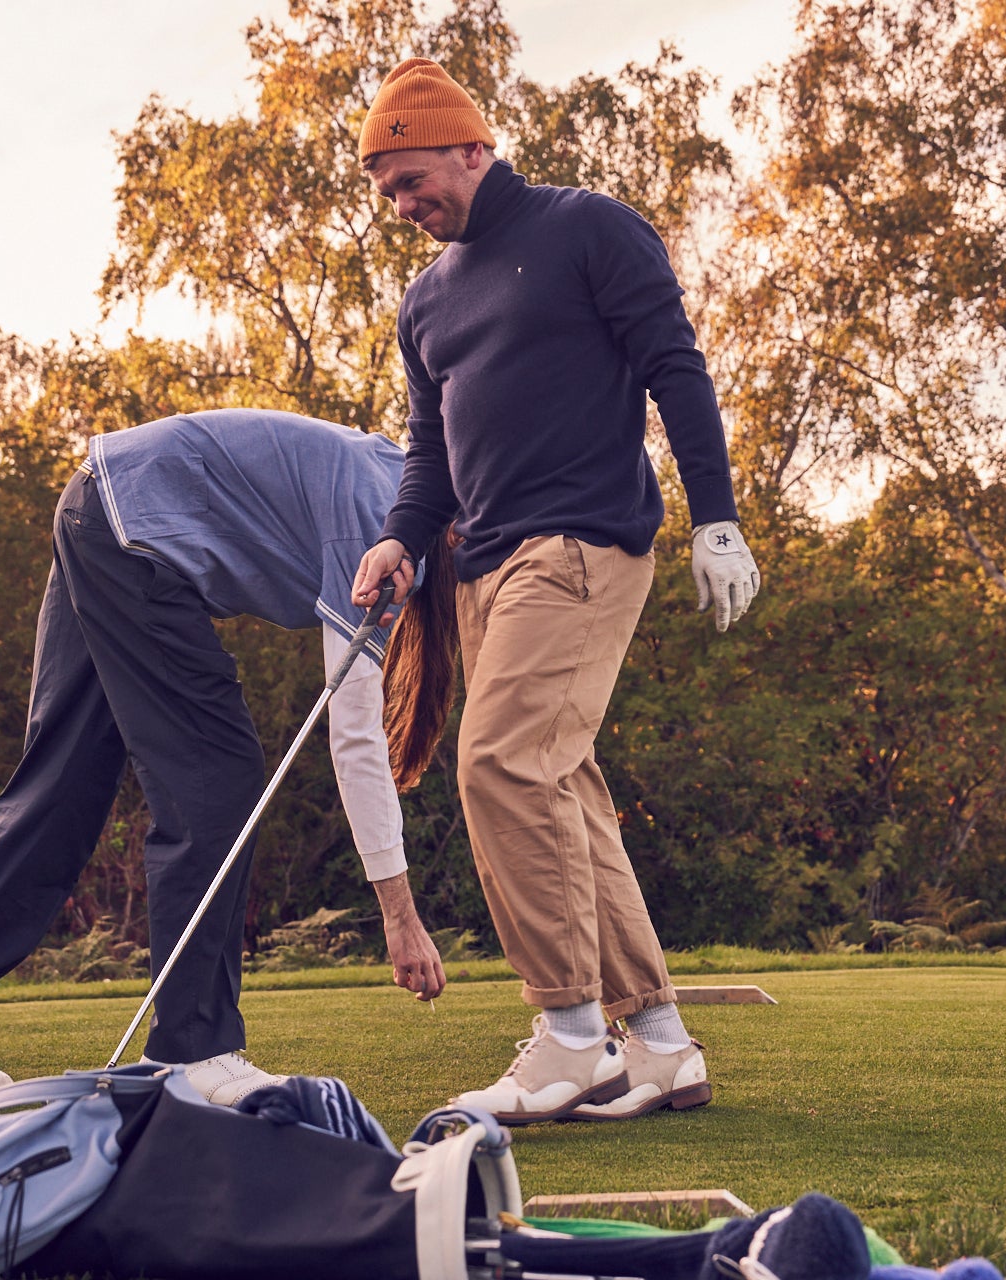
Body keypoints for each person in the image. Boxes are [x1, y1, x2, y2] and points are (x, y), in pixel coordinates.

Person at [351, 59, 761, 1124]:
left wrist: (716, 516)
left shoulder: (589, 229)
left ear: (471, 148)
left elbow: (677, 367)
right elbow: (427, 450)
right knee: (566, 794)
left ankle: (570, 1032)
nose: (403, 206)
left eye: (411, 179)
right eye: (388, 191)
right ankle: (660, 1042)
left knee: (496, 763)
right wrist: (401, 538)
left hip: (581, 546)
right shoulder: (427, 301)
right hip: (479, 571)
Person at [0, 408, 447, 1102]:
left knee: (63, 785)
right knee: (217, 774)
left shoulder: (399, 487)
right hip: (133, 528)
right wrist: (401, 918)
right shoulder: (388, 527)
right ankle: (196, 1049)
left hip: (98, 505)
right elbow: (354, 738)